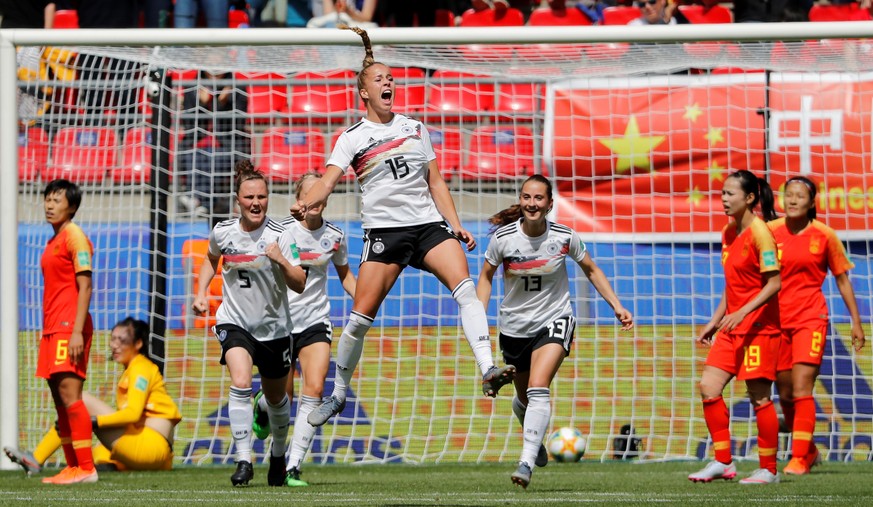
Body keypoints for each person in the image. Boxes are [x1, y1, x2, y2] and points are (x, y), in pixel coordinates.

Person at [291, 26, 517, 428]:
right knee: (359, 319)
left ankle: (487, 367)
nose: (388, 82)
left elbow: (435, 181)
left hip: (428, 225)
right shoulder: (351, 138)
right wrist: (307, 202)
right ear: (364, 92)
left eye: (391, 78)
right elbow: (328, 181)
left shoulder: (415, 128)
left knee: (465, 289)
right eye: (379, 79)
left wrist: (456, 225)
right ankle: (338, 394)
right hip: (384, 233)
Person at [477, 175, 634, 489]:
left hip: (555, 319)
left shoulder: (564, 236)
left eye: (538, 198)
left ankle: (525, 461)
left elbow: (591, 268)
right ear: (520, 200)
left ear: (549, 203)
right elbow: (485, 277)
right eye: (526, 197)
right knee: (524, 398)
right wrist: (477, 318)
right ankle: (535, 441)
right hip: (514, 328)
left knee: (538, 386)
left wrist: (616, 304)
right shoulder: (503, 238)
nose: (532, 204)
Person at [192, 160, 307, 487]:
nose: (256, 203)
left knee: (275, 400)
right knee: (241, 382)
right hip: (235, 323)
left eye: (262, 197)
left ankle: (278, 455)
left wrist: (281, 259)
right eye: (249, 197)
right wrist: (201, 292)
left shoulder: (282, 236)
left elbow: (299, 282)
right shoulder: (223, 232)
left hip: (274, 329)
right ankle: (243, 460)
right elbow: (211, 259)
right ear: (237, 200)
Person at [252, 172, 357, 487]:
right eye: (307, 196)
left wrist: (367, 301)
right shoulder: (281, 232)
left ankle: (293, 466)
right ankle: (261, 406)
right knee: (281, 398)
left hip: (315, 321)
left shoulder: (335, 236)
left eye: (319, 195)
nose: (313, 201)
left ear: (325, 200)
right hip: (281, 323)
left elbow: (346, 276)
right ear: (299, 201)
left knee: (314, 390)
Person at [689, 170, 782, 485]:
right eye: (722, 193)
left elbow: (774, 284)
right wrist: (714, 322)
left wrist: (742, 312)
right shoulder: (728, 232)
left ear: (750, 198)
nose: (724, 199)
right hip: (732, 326)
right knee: (709, 387)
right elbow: (733, 285)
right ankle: (722, 462)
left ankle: (768, 469)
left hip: (760, 327)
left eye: (731, 194)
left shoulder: (761, 233)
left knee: (759, 397)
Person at [770, 176, 866, 476]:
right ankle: (809, 450)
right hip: (776, 322)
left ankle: (798, 458)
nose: (793, 200)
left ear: (812, 203)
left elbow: (841, 279)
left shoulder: (825, 235)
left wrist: (856, 321)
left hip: (810, 320)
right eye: (788, 195)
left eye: (800, 196)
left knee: (802, 388)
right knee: (784, 395)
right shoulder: (769, 232)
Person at [4, 318, 182, 474]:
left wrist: (93, 422)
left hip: (151, 447)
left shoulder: (141, 369)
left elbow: (133, 414)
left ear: (138, 344)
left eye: (122, 340)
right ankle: (82, 465)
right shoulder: (135, 368)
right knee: (96, 454)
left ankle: (36, 458)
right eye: (112, 339)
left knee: (80, 400)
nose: (115, 345)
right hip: (152, 449)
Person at [33, 179, 98, 485]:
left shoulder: (75, 237)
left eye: (57, 200)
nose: (49, 204)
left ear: (71, 206)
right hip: (51, 328)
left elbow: (85, 286)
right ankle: (73, 466)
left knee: (71, 396)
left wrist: (75, 332)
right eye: (47, 198)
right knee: (60, 400)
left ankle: (86, 467)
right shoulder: (53, 240)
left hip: (68, 327)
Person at [177, 69, 249, 222]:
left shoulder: (237, 87)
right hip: (196, 143)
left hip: (228, 144)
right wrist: (200, 103)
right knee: (195, 157)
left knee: (216, 158)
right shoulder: (192, 86)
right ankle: (203, 203)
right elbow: (188, 124)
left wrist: (221, 103)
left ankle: (198, 200)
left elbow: (239, 123)